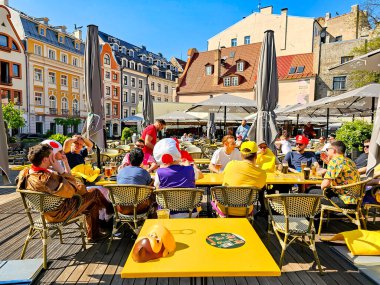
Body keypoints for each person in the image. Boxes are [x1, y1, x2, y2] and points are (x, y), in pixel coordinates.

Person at [16, 143, 113, 242]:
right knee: (95, 192)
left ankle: (94, 234)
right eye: (51, 155)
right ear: (45, 160)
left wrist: (58, 168)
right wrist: (61, 171)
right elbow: (76, 190)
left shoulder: (26, 173)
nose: (54, 157)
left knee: (92, 202)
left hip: (46, 212)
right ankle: (110, 210)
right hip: (60, 213)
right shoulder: (48, 178)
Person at [219, 141, 266, 216]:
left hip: (224, 209)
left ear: (241, 155)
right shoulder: (262, 173)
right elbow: (260, 188)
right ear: (256, 155)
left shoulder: (231, 164)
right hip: (245, 211)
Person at [309, 141, 360, 208]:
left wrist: (330, 164)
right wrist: (329, 163)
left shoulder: (335, 161)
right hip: (354, 200)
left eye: (328, 149)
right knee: (314, 189)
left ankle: (311, 217)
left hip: (343, 201)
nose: (326, 151)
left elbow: (324, 185)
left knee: (311, 191)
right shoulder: (349, 161)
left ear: (333, 150)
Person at [116, 148, 154, 215]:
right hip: (139, 208)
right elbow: (150, 187)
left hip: (122, 209)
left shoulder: (120, 172)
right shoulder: (144, 173)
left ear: (129, 159)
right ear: (142, 160)